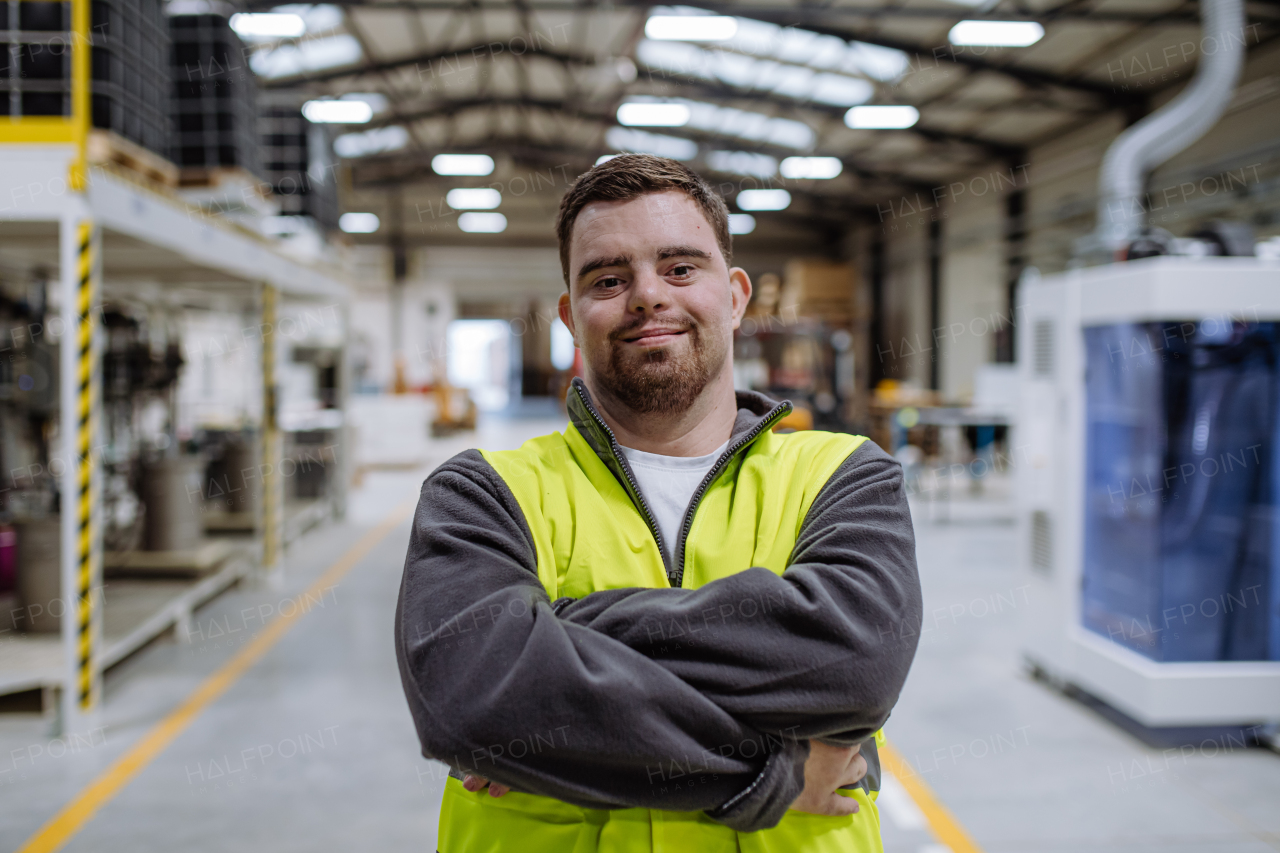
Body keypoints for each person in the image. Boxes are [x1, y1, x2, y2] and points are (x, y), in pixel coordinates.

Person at [395, 154, 922, 853]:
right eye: (609, 279)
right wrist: (777, 772)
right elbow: (472, 698)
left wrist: (567, 633)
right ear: (570, 316)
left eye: (679, 268)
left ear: (735, 297)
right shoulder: (481, 493)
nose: (647, 295)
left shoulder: (845, 475)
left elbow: (854, 665)